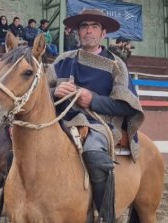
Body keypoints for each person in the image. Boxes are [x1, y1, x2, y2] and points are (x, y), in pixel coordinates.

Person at [50, 9, 144, 223]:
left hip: (99, 124)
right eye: (84, 26)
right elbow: (39, 93)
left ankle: (104, 215)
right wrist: (52, 92)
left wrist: (92, 101)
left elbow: (127, 106)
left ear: (103, 33)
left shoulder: (116, 66)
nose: (88, 31)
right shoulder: (62, 61)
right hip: (61, 120)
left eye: (94, 27)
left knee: (93, 153)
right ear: (77, 32)